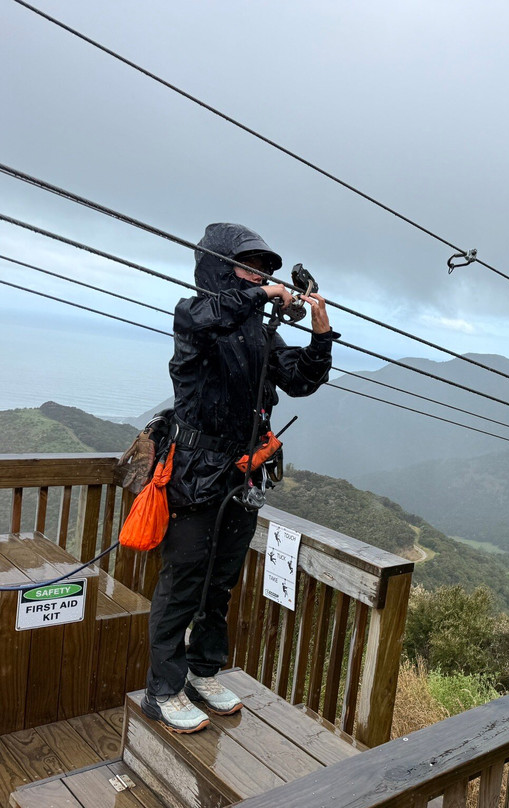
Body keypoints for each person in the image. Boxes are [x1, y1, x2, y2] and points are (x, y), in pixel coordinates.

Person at [142, 223, 337, 733]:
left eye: (266, 271)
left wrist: (320, 336)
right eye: (249, 267)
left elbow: (299, 380)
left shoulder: (258, 334)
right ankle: (162, 689)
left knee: (220, 582)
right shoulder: (195, 315)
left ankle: (203, 672)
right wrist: (261, 296)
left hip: (240, 477)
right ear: (217, 267)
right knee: (184, 579)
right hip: (193, 471)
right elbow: (211, 317)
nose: (261, 277)